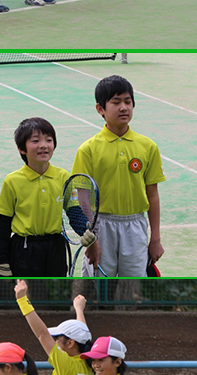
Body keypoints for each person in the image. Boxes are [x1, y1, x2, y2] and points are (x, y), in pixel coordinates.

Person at [71, 73, 165, 277]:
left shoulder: (148, 146)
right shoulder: (88, 149)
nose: (123, 107)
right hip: (101, 226)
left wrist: (155, 238)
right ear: (100, 109)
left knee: (131, 290)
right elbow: (83, 198)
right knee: (96, 288)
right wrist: (91, 237)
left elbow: (153, 195)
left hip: (136, 226)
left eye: (128, 101)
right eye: (116, 102)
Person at [0, 119, 76, 278]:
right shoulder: (12, 181)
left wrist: (84, 230)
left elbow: (73, 211)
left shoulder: (63, 176)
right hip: (24, 249)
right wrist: (2, 260)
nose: (44, 145)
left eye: (49, 140)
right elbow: (4, 225)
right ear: (21, 148)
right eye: (35, 141)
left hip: (55, 249)